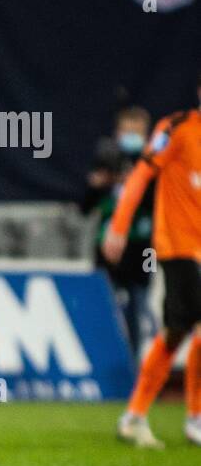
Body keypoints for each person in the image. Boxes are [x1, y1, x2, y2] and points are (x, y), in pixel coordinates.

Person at [103, 76, 201, 449]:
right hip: (178, 245)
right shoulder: (175, 128)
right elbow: (142, 173)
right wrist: (119, 226)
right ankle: (192, 419)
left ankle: (136, 416)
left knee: (178, 331)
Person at [82, 106, 155, 360]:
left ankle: (134, 365)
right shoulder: (107, 161)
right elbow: (85, 207)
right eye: (127, 131)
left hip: (144, 248)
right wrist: (100, 185)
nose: (131, 137)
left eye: (136, 132)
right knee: (103, 305)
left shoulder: (153, 165)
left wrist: (134, 182)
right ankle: (100, 363)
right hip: (108, 245)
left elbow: (157, 204)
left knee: (140, 303)